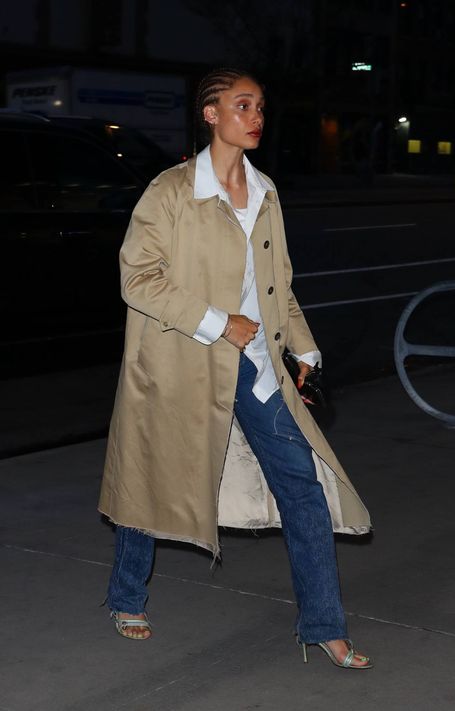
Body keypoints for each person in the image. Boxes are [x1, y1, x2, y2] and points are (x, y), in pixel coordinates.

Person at [99, 68, 373, 669]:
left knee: (301, 485)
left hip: (254, 367)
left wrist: (303, 348)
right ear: (211, 115)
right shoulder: (172, 191)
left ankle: (323, 625)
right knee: (150, 479)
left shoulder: (266, 191)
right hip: (181, 361)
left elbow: (280, 287)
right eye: (242, 105)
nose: (255, 117)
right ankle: (125, 595)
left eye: (260, 107)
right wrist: (218, 321)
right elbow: (137, 278)